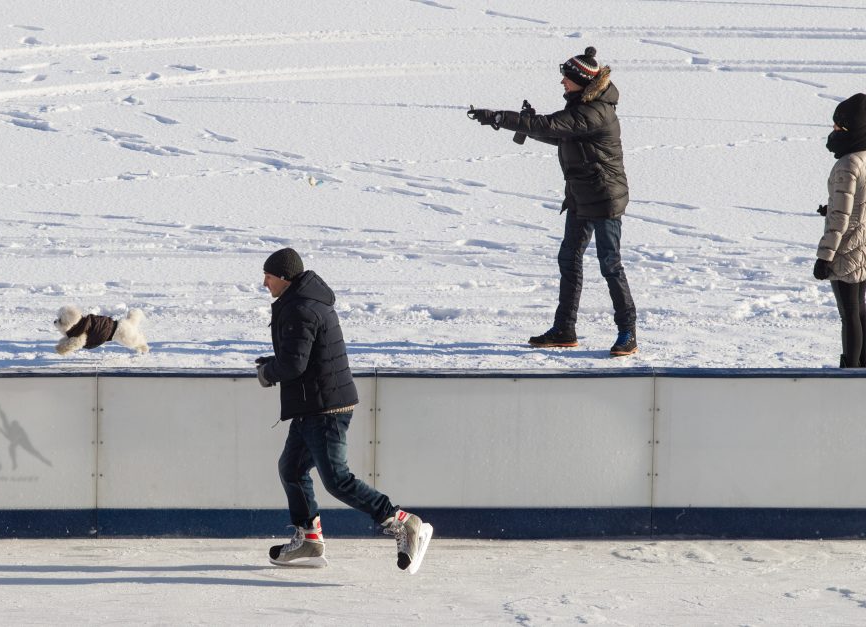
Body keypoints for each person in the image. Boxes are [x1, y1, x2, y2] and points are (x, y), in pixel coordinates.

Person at [256, 247, 433, 572]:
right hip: (314, 404)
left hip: (325, 408)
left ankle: (402, 521)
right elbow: (301, 357)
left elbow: (295, 364)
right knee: (291, 468)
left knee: (336, 479)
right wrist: (273, 364)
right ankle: (309, 539)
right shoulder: (302, 302)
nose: (264, 282)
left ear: (282, 277)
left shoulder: (301, 308)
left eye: (268, 276)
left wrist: (268, 373)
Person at [469, 46, 638, 356]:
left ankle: (628, 331)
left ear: (581, 81)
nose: (561, 82)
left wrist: (500, 118)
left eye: (566, 78)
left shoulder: (595, 111)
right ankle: (564, 329)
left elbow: (553, 126)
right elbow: (558, 132)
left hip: (604, 199)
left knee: (610, 264)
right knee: (569, 260)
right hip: (580, 198)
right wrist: (525, 124)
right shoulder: (582, 106)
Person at [813, 93, 866, 368]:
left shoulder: (846, 164)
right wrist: (848, 207)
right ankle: (865, 365)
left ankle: (852, 372)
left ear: (849, 128)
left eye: (838, 126)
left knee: (848, 312)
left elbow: (840, 220)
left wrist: (824, 258)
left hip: (847, 245)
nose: (834, 130)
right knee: (860, 308)